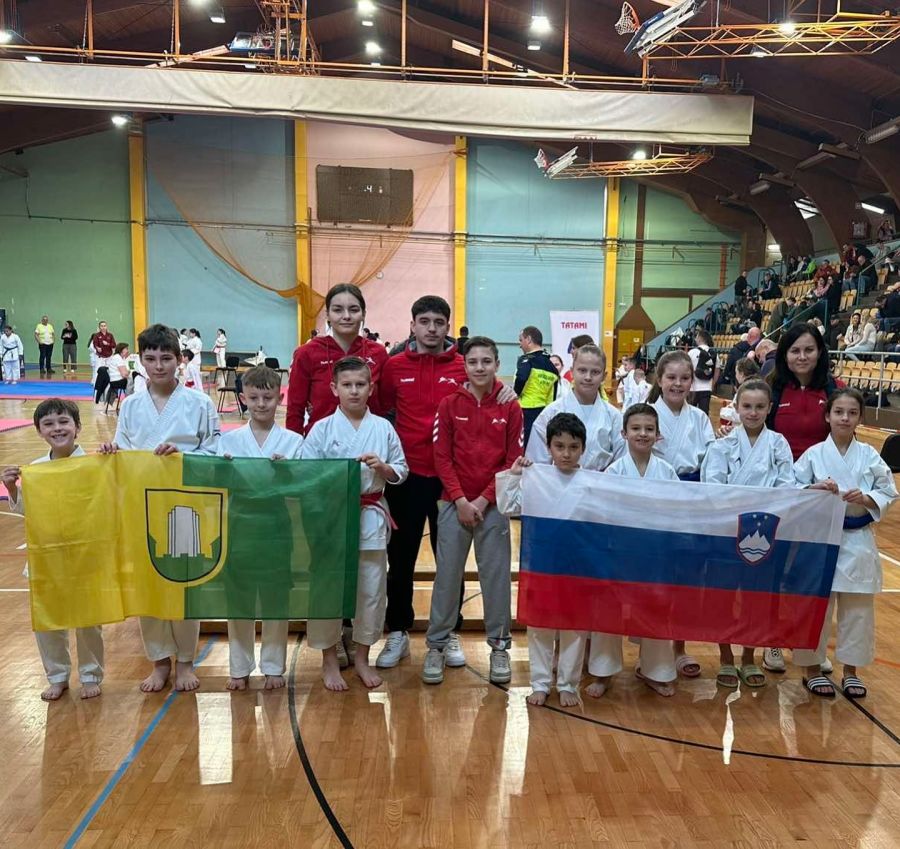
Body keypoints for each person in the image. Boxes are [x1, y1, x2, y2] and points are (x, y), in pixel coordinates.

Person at [377, 298, 515, 670]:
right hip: (406, 477)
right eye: (424, 321)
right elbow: (383, 408)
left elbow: (490, 386)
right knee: (401, 558)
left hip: (449, 482)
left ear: (447, 326)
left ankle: (450, 630)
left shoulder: (461, 364)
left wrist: (507, 390)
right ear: (413, 325)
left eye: (439, 322)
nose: (432, 328)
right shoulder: (394, 366)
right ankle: (398, 631)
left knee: (450, 562)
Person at [99, 324, 220, 693]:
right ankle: (159, 661)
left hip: (185, 503)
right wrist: (111, 452)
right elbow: (122, 451)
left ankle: (186, 661)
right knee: (148, 584)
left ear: (179, 360)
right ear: (141, 361)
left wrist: (184, 454)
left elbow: (216, 452)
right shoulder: (131, 405)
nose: (158, 366)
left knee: (183, 584)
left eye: (166, 358)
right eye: (150, 359)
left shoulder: (199, 403)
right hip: (142, 503)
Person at [422, 336, 522, 686]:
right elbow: (441, 457)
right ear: (464, 366)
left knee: (495, 577)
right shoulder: (449, 404)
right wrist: (461, 499)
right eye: (473, 361)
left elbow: (512, 460)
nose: (480, 367)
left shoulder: (510, 407)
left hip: (492, 506)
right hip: (454, 503)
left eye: (486, 361)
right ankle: (436, 646)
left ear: (497, 365)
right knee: (447, 578)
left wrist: (482, 500)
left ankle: (499, 647)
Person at [303, 357, 408, 690]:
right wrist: (332, 478)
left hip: (370, 514)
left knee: (371, 590)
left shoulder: (383, 428)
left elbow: (401, 469)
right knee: (328, 588)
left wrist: (383, 468)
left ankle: (362, 657)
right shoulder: (322, 429)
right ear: (334, 388)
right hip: (332, 517)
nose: (354, 391)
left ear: (371, 388)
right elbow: (306, 473)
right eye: (346, 385)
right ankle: (329, 659)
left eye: (360, 384)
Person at [794, 389, 898, 698]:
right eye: (838, 412)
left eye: (852, 413)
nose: (845, 418)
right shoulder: (813, 454)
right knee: (817, 608)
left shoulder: (869, 455)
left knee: (858, 611)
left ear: (860, 418)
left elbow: (888, 490)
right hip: (821, 540)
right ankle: (812, 669)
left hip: (857, 539)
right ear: (827, 416)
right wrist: (814, 488)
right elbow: (792, 487)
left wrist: (866, 498)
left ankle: (851, 671)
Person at [2, 399, 104, 701]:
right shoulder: (36, 469)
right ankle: (57, 676)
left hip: (85, 556)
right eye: (48, 424)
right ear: (39, 431)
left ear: (77, 427)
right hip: (46, 556)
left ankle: (91, 674)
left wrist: (111, 461)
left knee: (88, 620)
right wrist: (12, 489)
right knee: (47, 621)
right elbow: (28, 511)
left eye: (63, 421)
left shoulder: (96, 465)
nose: (57, 428)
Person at [701, 380, 795, 690]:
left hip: (764, 531)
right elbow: (713, 488)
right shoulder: (722, 445)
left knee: (757, 598)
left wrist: (760, 509)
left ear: (770, 408)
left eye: (759, 407)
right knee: (724, 596)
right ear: (736, 407)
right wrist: (742, 508)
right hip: (728, 531)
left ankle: (749, 657)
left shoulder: (778, 444)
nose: (753, 412)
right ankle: (726, 657)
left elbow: (786, 486)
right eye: (747, 406)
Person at [217, 365, 304, 691]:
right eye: (254, 398)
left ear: (279, 398)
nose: (261, 404)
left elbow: (301, 488)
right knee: (238, 598)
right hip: (239, 524)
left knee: (275, 598)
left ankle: (273, 666)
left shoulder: (294, 441)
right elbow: (218, 484)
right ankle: (239, 668)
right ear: (243, 398)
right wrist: (224, 471)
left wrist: (288, 472)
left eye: (268, 397)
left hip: (277, 525)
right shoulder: (229, 441)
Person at [763, 322, 842, 674]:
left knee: (812, 572)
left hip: (820, 497)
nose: (802, 356)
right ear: (785, 354)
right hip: (782, 495)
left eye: (809, 349)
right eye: (795, 350)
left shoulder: (833, 390)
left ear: (820, 352)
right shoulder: (774, 389)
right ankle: (772, 640)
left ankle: (809, 643)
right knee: (774, 570)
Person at [496, 413, 589, 707]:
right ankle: (539, 682)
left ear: (583, 448)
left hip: (578, 567)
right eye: (559, 446)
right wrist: (514, 475)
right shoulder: (536, 478)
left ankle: (568, 684)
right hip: (542, 564)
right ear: (548, 447)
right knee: (540, 626)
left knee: (575, 627)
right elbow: (507, 507)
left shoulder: (592, 483)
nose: (566, 453)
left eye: (573, 447)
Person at [589, 403, 679, 698]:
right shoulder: (614, 471)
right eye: (636, 428)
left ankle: (656, 670)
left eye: (649, 429)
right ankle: (602, 672)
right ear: (623, 433)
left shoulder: (666, 471)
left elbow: (679, 512)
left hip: (656, 554)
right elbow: (601, 513)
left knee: (656, 610)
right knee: (608, 610)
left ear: (658, 435)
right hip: (618, 553)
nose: (643, 434)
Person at [650, 350, 714, 678]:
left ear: (692, 382)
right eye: (671, 377)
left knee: (685, 579)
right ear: (659, 379)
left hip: (691, 499)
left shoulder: (700, 418)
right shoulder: (647, 413)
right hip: (656, 500)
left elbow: (712, 461)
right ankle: (651, 650)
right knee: (656, 577)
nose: (678, 384)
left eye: (684, 378)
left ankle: (679, 647)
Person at [286, 283, 388, 437]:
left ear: (363, 314)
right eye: (337, 310)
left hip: (369, 442)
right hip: (321, 444)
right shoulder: (307, 353)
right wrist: (294, 446)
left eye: (353, 309)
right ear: (327, 314)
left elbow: (386, 405)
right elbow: (295, 409)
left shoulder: (378, 353)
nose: (346, 316)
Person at [526, 344, 623, 472]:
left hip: (601, 482)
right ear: (572, 372)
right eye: (582, 370)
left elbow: (622, 462)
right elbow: (537, 463)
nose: (588, 377)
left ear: (604, 376)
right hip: (559, 481)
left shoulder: (614, 416)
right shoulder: (551, 412)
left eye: (595, 372)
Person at [515, 325, 558, 449]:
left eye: (521, 340)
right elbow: (552, 396)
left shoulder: (527, 360)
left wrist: (515, 394)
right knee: (539, 447)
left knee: (522, 447)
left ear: (528, 339)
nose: (519, 345)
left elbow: (521, 378)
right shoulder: (552, 367)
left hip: (524, 410)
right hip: (543, 413)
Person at [688, 330, 717, 414]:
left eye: (696, 337)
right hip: (706, 388)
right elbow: (716, 371)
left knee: (690, 413)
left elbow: (687, 369)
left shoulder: (692, 352)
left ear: (700, 338)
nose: (695, 339)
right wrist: (712, 384)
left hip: (693, 388)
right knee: (704, 414)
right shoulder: (713, 353)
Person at [91, 321, 116, 387]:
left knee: (110, 370)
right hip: (100, 357)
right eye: (101, 326)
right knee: (98, 370)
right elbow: (95, 344)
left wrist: (107, 344)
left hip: (109, 356)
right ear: (99, 327)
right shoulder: (96, 335)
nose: (103, 327)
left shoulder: (110, 335)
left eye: (104, 326)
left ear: (106, 327)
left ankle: (110, 384)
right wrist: (97, 348)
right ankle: (96, 385)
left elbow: (114, 345)